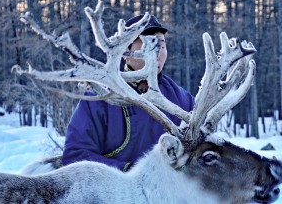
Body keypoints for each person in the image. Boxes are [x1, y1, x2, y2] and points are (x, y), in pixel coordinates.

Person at [61, 14, 194, 172]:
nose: (156, 51)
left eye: (161, 45)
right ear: (125, 52)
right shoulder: (98, 98)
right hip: (112, 193)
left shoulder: (184, 101)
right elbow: (75, 156)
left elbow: (201, 156)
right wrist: (129, 172)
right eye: (146, 44)